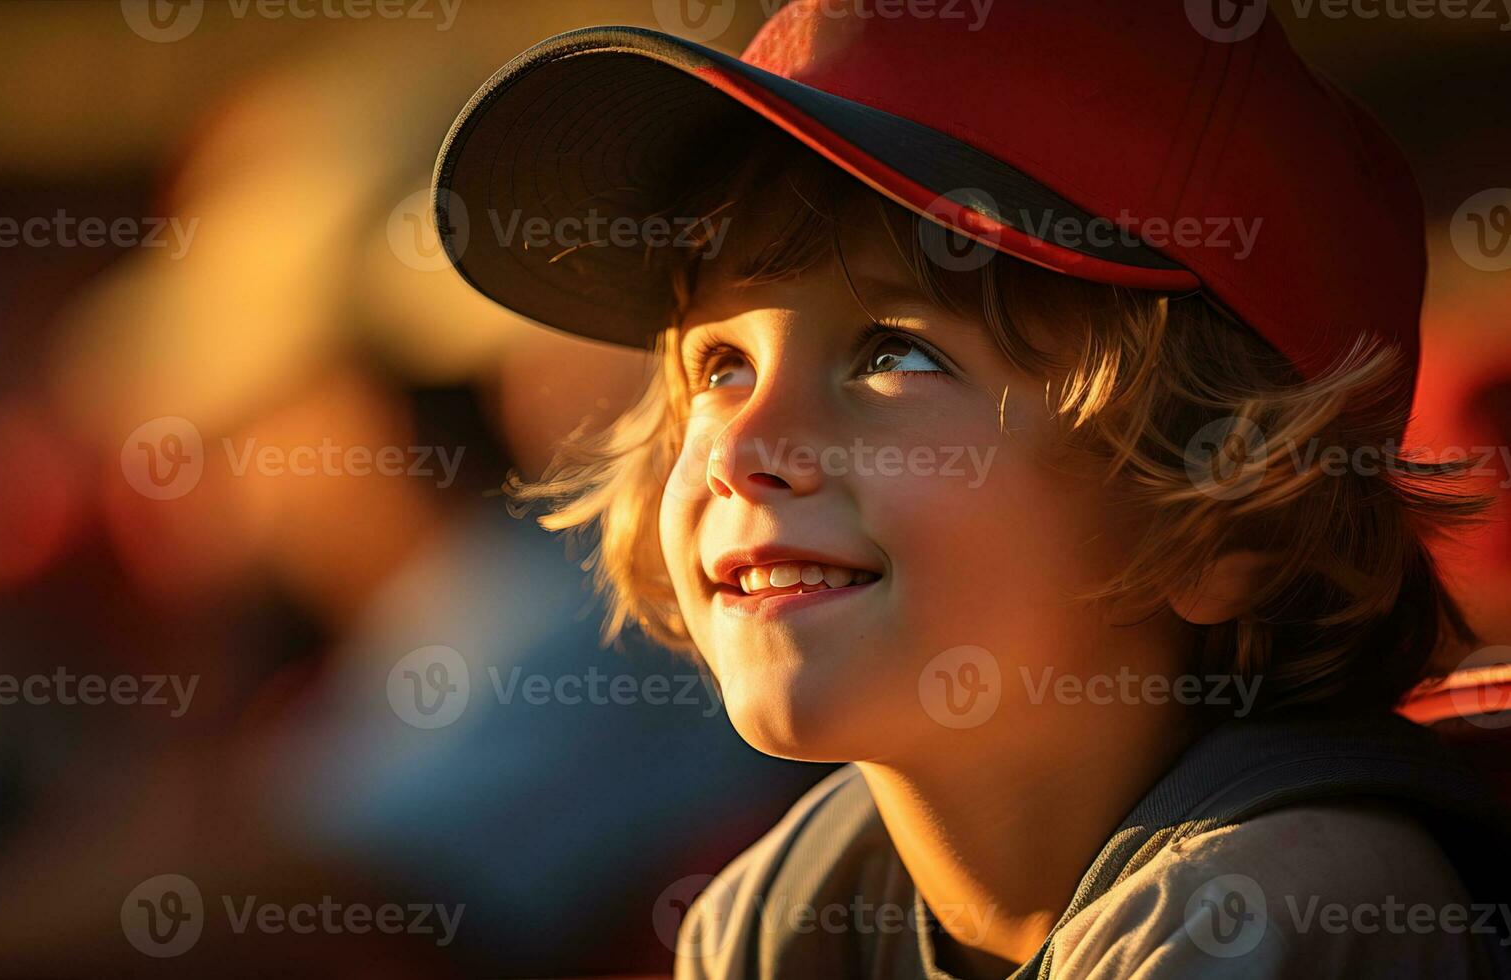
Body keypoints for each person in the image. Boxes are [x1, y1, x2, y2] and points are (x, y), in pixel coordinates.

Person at [430, 2, 1511, 976]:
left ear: (1230, 527)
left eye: (895, 356)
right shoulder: (777, 915)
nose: (742, 442)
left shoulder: (1279, 904)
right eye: (720, 366)